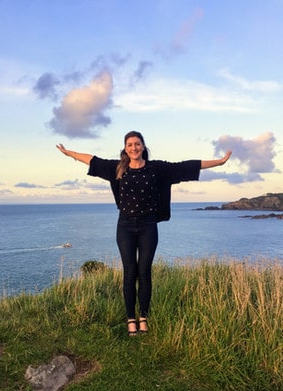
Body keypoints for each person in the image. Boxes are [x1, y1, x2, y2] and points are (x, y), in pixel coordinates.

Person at [57, 131, 232, 336]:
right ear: (125, 148)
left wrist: (219, 162)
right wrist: (69, 153)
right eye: (130, 145)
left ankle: (143, 317)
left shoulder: (156, 168)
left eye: (137, 144)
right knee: (130, 273)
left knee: (144, 272)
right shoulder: (118, 168)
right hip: (125, 227)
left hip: (148, 226)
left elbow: (185, 166)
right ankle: (131, 318)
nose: (134, 148)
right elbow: (92, 160)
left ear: (143, 146)